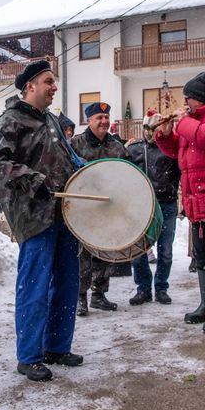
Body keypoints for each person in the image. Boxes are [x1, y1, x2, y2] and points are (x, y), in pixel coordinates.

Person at [0, 60, 84, 382]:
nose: (54, 87)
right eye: (48, 81)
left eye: (54, 81)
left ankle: (57, 346)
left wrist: (90, 172)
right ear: (30, 86)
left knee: (67, 282)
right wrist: (31, 179)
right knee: (35, 285)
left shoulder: (50, 119)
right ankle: (29, 356)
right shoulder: (10, 121)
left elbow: (67, 159)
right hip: (34, 216)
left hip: (65, 212)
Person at [155, 72, 205, 334]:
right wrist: (165, 135)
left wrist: (183, 122)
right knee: (201, 256)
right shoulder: (193, 121)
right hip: (196, 202)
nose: (184, 104)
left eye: (187, 98)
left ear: (198, 98)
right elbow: (176, 150)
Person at [70, 102, 130, 315]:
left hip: (108, 208)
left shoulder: (117, 147)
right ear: (89, 120)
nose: (104, 121)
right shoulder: (75, 144)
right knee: (83, 254)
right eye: (99, 118)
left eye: (106, 117)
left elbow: (128, 174)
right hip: (83, 208)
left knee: (105, 251)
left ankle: (99, 294)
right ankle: (80, 297)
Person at [126, 110, 180, 305]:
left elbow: (181, 171)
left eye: (154, 128)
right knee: (139, 250)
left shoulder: (170, 148)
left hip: (166, 203)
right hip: (141, 206)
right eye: (147, 128)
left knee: (165, 250)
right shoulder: (134, 150)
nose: (150, 132)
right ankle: (143, 289)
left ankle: (161, 288)